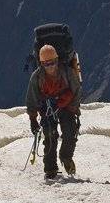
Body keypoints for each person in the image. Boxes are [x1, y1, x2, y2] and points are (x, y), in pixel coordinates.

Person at [25, 44, 81, 179]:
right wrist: (33, 119)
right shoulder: (37, 77)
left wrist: (73, 107)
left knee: (70, 133)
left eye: (52, 62)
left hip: (66, 107)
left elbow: (77, 91)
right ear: (42, 64)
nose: (50, 66)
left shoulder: (67, 72)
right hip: (48, 109)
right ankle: (50, 169)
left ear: (57, 60)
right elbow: (32, 98)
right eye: (46, 64)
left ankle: (66, 157)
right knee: (50, 137)